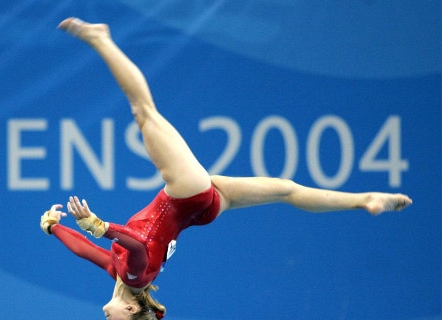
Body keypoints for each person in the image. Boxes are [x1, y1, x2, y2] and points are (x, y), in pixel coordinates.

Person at [40, 17, 413, 320]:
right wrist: (100, 226)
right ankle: (101, 39)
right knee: (143, 111)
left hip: (203, 209)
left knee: (286, 191)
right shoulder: (134, 275)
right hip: (187, 195)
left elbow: (85, 251)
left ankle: (366, 199)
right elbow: (134, 245)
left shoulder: (119, 275)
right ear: (134, 308)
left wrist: (54, 228)